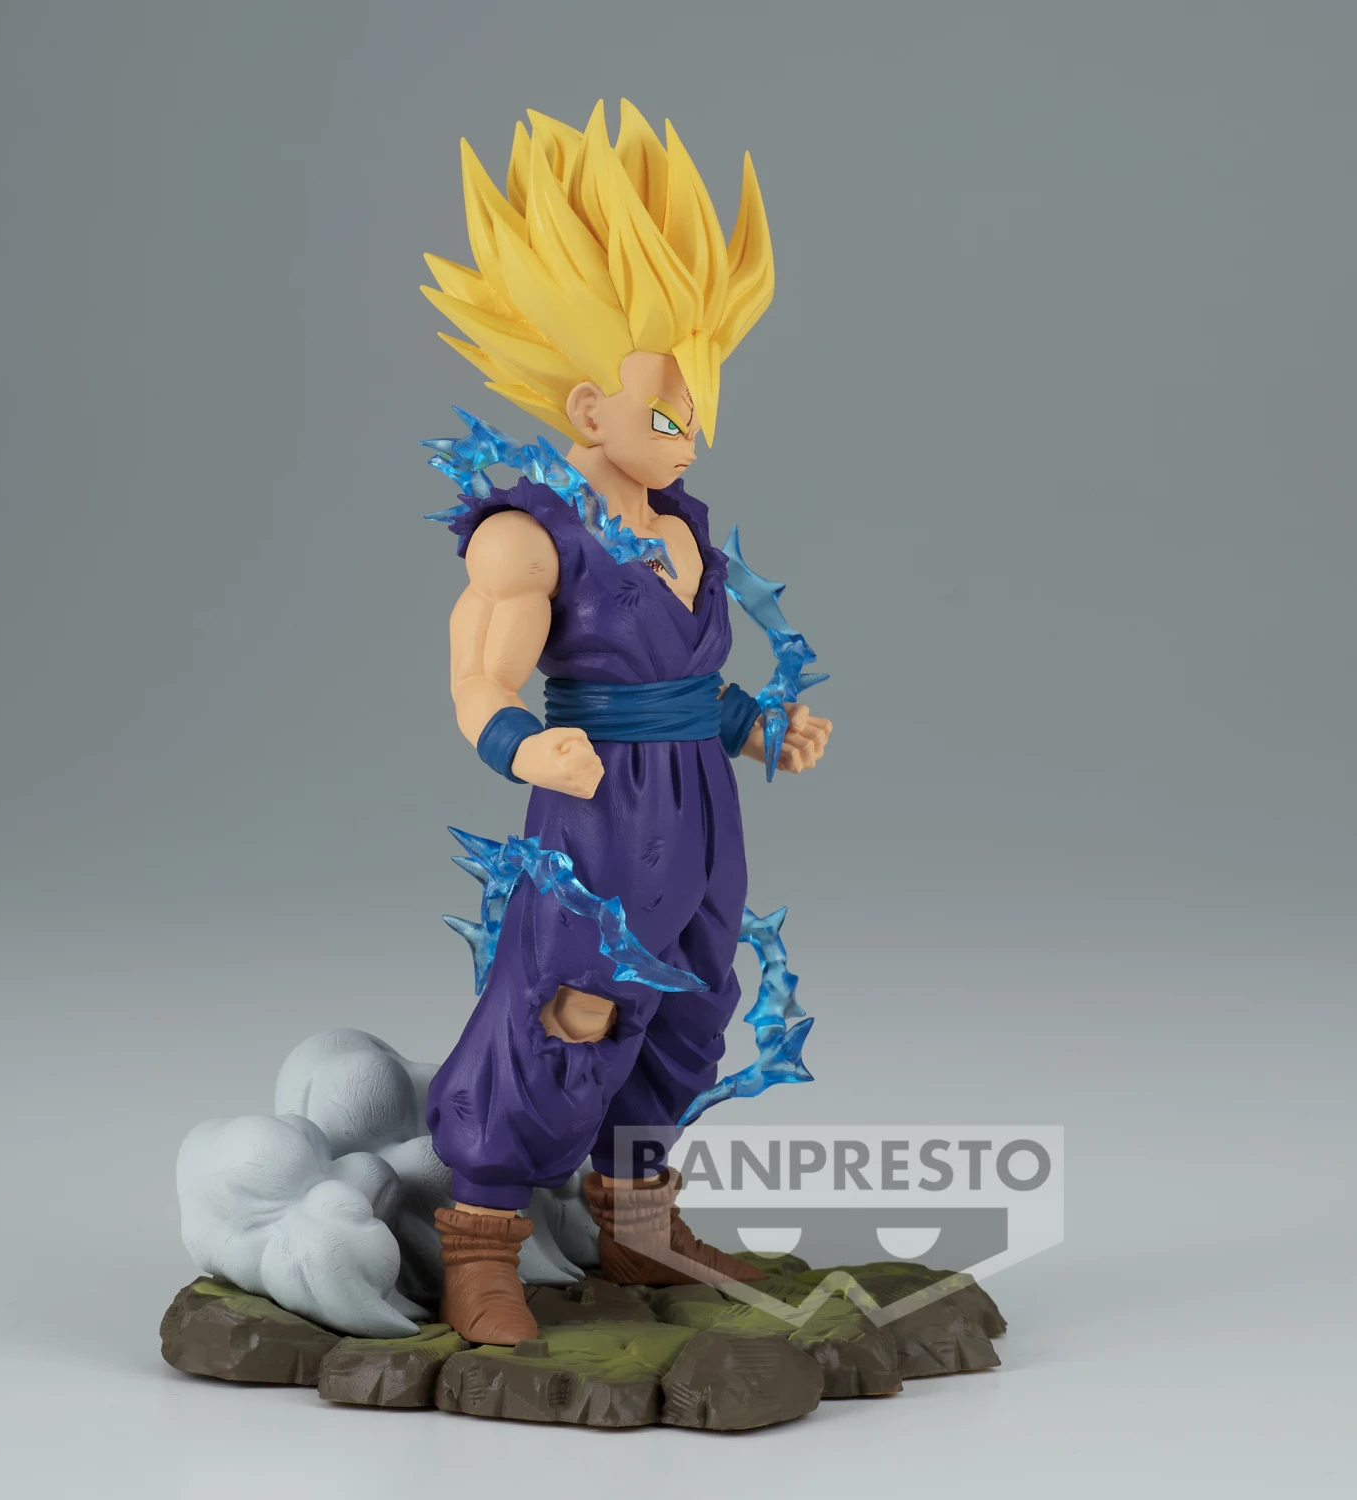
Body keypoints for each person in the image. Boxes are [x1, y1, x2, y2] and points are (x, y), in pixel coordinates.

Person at [419, 102, 832, 1344]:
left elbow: (689, 680)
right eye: (665, 414)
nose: (688, 436)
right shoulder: (524, 533)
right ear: (589, 408)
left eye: (697, 411)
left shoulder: (685, 526)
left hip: (700, 804)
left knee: (694, 1001)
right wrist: (520, 744)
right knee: (572, 1001)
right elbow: (478, 680)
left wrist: (756, 727)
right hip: (599, 807)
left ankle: (638, 1226)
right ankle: (481, 1234)